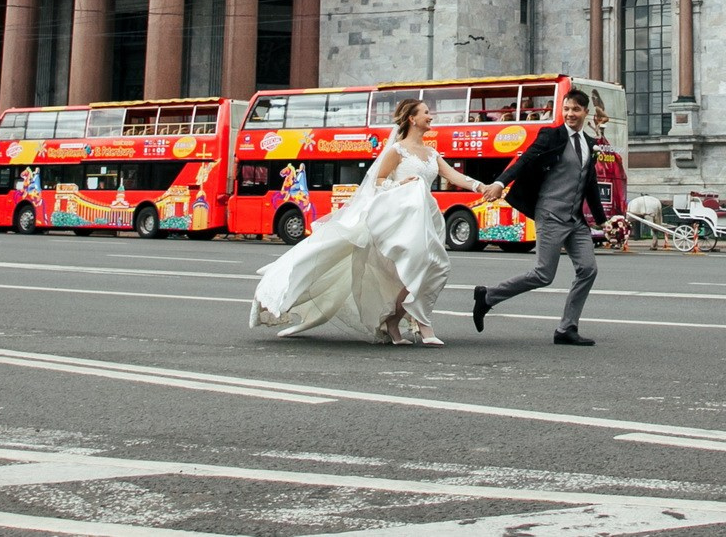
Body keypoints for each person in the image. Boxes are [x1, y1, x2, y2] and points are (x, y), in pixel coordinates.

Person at [249, 97, 482, 345]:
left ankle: (394, 320)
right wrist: (399, 184)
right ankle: (422, 326)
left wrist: (482, 186)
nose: (431, 116)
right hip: (401, 220)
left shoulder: (431, 153)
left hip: (425, 217)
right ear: (412, 119)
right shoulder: (397, 150)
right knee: (419, 267)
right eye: (426, 112)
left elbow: (455, 176)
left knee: (433, 267)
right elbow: (379, 180)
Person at [472, 88, 607, 347]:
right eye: (566, 109)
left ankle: (567, 328)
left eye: (576, 110)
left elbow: (589, 183)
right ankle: (488, 296)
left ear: (585, 113)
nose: (570, 114)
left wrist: (602, 220)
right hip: (550, 214)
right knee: (544, 274)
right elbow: (525, 161)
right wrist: (501, 182)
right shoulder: (551, 136)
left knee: (588, 269)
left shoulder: (590, 144)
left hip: (575, 220)